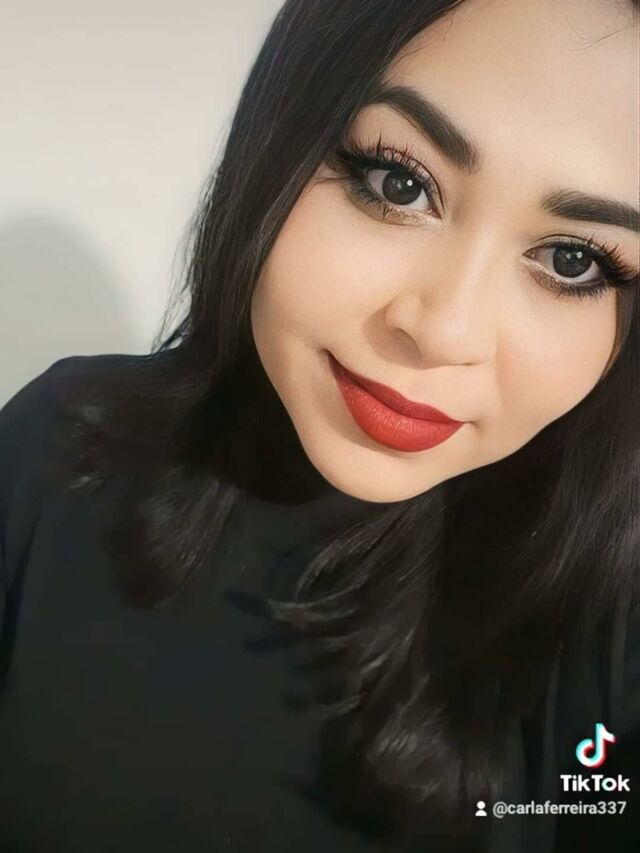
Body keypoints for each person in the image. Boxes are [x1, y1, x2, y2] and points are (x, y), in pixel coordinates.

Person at [0, 0, 638, 850]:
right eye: (398, 183)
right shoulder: (57, 450)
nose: (445, 331)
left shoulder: (606, 627)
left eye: (572, 259)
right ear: (281, 137)